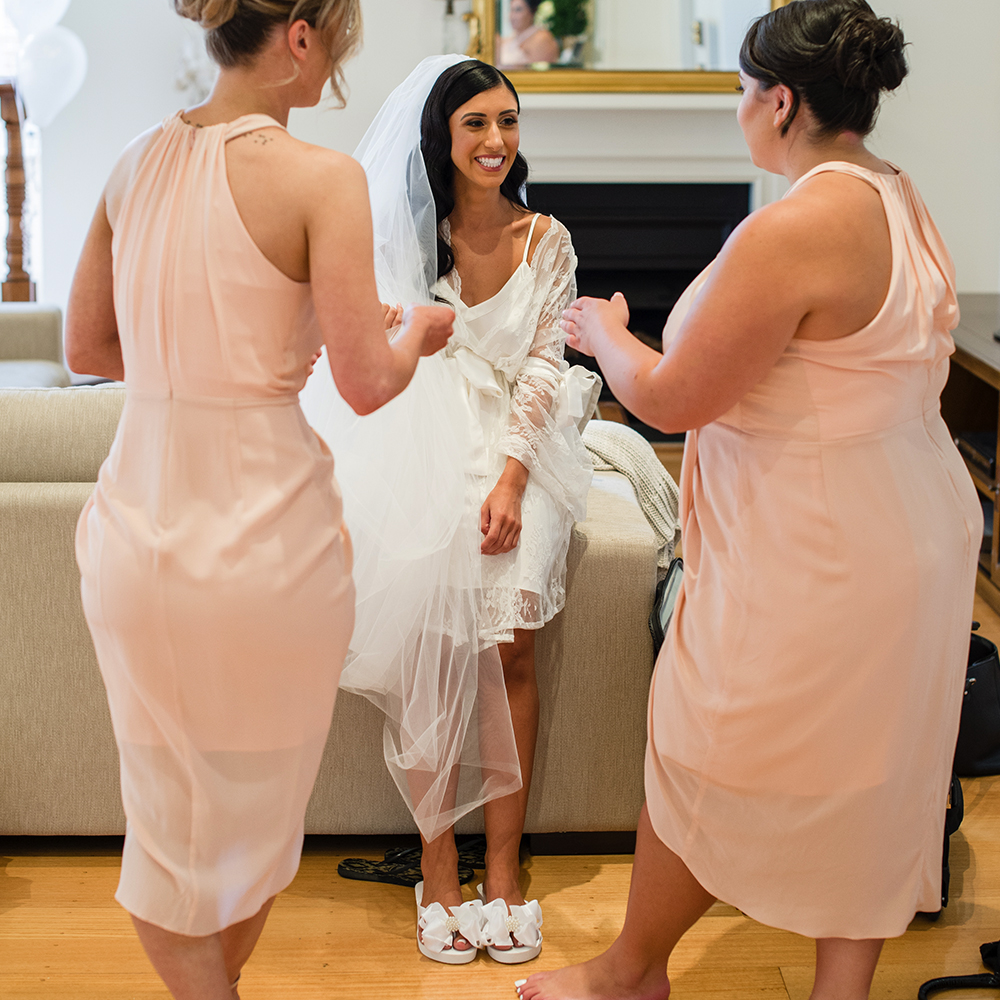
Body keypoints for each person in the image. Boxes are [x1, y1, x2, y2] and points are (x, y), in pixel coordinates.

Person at [517, 1, 981, 999]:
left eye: (739, 91)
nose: (736, 109)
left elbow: (676, 397)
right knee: (876, 763)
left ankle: (630, 969)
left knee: (702, 740)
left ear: (778, 102)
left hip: (819, 541)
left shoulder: (798, 223)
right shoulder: (894, 193)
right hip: (911, 518)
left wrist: (603, 331)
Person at [65, 2, 453, 998]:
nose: (333, 80)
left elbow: (86, 350)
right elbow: (369, 379)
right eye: (335, 55)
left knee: (167, 820)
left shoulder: (129, 165)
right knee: (259, 816)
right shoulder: (322, 179)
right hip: (270, 540)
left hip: (138, 528)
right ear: (297, 39)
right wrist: (418, 332)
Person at [300, 55, 597, 966]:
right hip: (422, 435)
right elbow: (367, 350)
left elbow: (548, 365)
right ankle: (437, 866)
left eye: (508, 121)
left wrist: (511, 478)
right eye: (476, 123)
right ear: (442, 135)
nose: (497, 141)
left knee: (510, 638)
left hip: (521, 441)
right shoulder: (396, 234)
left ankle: (503, 872)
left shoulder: (546, 237)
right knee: (428, 628)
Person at [498, 0, 560, 69]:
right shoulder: (509, 39)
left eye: (518, 10)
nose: (512, 16)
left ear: (532, 12)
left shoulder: (542, 38)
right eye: (511, 10)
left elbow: (539, 73)